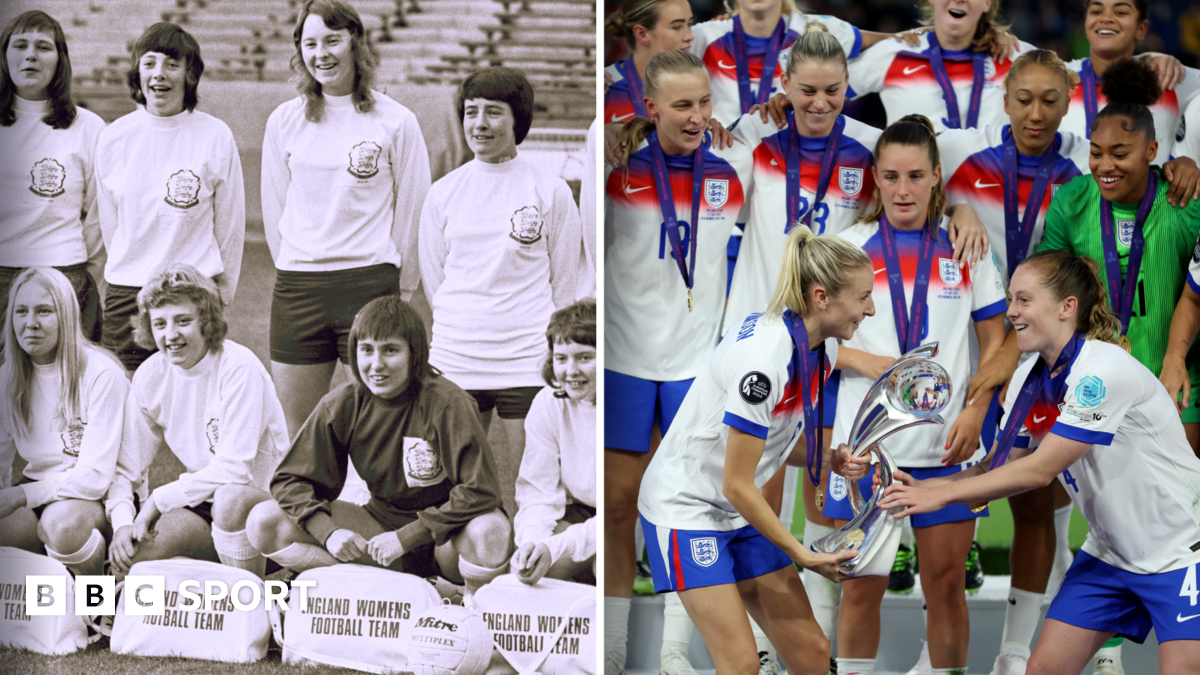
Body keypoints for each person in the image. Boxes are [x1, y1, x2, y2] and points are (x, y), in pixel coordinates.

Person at [878, 249, 1200, 675]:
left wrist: (940, 499)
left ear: (1068, 308)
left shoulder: (1101, 371)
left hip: (1182, 550)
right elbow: (1000, 468)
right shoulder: (1030, 379)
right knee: (1042, 670)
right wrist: (921, 489)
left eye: (1024, 300)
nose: (1011, 312)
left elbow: (1038, 470)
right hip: (1112, 553)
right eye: (1011, 299)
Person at [637, 223, 874, 675]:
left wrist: (829, 458)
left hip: (731, 507)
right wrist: (802, 554)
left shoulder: (817, 348)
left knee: (811, 654)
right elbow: (737, 484)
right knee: (743, 665)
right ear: (822, 297)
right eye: (863, 297)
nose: (872, 308)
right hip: (685, 509)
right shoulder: (763, 363)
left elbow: (774, 440)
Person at [823, 114, 1007, 675]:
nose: (903, 190)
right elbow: (813, 340)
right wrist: (875, 363)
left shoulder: (965, 245)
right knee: (860, 587)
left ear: (936, 177)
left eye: (915, 176)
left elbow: (1001, 343)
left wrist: (977, 407)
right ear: (875, 178)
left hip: (945, 450)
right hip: (865, 452)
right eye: (891, 176)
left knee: (948, 586)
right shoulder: (846, 248)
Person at [1036, 57, 1200, 673]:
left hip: (1178, 386)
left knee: (1179, 520)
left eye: (1122, 153)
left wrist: (1178, 358)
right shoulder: (1072, 200)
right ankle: (1102, 653)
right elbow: (1043, 290)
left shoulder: (1188, 199)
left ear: (1154, 151)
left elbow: (1195, 290)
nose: (1105, 163)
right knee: (1111, 514)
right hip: (1096, 387)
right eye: (1097, 151)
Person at [937, 48, 1092, 675]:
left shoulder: (1082, 172)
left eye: (1050, 101)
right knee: (957, 499)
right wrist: (956, 206)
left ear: (1068, 102)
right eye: (1023, 99)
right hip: (978, 351)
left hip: (1046, 356)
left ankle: (1013, 652)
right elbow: (906, 188)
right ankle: (939, 647)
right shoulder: (969, 168)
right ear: (1003, 99)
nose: (1036, 112)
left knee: (1035, 501)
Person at [602, 49, 751, 675]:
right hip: (625, 361)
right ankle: (608, 650)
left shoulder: (732, 175)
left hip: (697, 364)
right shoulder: (615, 172)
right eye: (682, 105)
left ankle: (673, 654)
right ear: (652, 106)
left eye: (705, 104)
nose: (696, 118)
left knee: (689, 510)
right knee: (618, 506)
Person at [245, 295, 512, 596]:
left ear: (415, 353)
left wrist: (408, 536)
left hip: (446, 540)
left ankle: (470, 610)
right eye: (367, 350)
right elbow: (289, 480)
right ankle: (373, 593)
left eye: (390, 350)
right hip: (380, 530)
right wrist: (328, 532)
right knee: (264, 521)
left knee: (491, 529)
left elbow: (482, 490)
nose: (376, 364)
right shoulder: (345, 402)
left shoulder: (447, 403)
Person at [261, 0, 431, 436]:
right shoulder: (284, 120)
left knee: (381, 421)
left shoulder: (395, 120)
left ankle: (378, 505)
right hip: (299, 289)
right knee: (301, 426)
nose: (322, 54)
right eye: (310, 43)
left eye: (333, 41)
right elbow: (275, 205)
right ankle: (308, 504)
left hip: (368, 284)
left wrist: (400, 287)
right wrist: (297, 262)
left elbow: (414, 210)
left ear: (356, 43)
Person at [419, 66, 580, 517]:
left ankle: (527, 566)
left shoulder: (548, 190)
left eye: (493, 112)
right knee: (455, 483)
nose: (480, 124)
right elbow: (436, 281)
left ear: (517, 120)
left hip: (525, 359)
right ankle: (467, 566)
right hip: (455, 358)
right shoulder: (443, 193)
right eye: (471, 112)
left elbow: (563, 281)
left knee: (534, 481)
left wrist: (535, 339)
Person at [106, 266, 289, 580]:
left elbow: (235, 471)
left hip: (263, 506)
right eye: (159, 324)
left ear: (206, 322)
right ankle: (104, 624)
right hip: (201, 501)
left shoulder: (238, 367)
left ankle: (260, 596)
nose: (171, 335)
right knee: (134, 558)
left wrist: (158, 502)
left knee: (229, 501)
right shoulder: (151, 376)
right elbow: (126, 467)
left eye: (183, 321)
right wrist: (123, 521)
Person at [95, 22, 245, 372]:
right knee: (129, 410)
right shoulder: (114, 137)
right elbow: (111, 227)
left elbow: (230, 226)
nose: (159, 75)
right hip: (127, 297)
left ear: (190, 75)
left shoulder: (215, 135)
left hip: (193, 296)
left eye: (171, 64)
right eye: (149, 63)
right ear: (137, 72)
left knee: (193, 406)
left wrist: (221, 296)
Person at [0, 268, 126, 576]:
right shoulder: (7, 377)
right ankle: (44, 612)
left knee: (60, 526)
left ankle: (99, 607)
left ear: (67, 316)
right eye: (21, 311)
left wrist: (19, 495)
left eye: (44, 311)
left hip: (98, 497)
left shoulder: (101, 373)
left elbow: (95, 476)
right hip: (39, 491)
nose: (31, 324)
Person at [0, 11, 106, 342]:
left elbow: (100, 218)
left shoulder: (89, 128)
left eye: (43, 46)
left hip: (65, 277)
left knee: (62, 389)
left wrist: (74, 268)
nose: (31, 54)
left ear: (60, 60)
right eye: (20, 45)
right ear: (5, 57)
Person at [1062, 0, 1200, 191]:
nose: (1106, 18)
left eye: (1120, 12)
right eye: (1096, 10)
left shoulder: (1166, 78)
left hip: (1152, 218)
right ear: (1086, 22)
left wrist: (1188, 157)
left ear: (1141, 29)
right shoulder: (1059, 79)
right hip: (1072, 216)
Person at [845, 0, 1035, 133]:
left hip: (991, 189)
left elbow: (1062, 102)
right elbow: (823, 89)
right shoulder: (895, 52)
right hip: (911, 190)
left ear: (987, 3)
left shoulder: (1017, 58)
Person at [512, 299, 597, 586]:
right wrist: (533, 543)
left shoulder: (632, 402)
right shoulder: (548, 402)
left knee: (605, 563)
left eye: (585, 357)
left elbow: (622, 510)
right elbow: (538, 491)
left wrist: (557, 547)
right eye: (561, 358)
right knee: (536, 568)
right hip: (585, 511)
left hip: (634, 518)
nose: (571, 371)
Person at [604, 0, 694, 126]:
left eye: (690, 24)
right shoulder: (604, 87)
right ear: (642, 34)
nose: (690, 36)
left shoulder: (695, 86)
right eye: (677, 27)